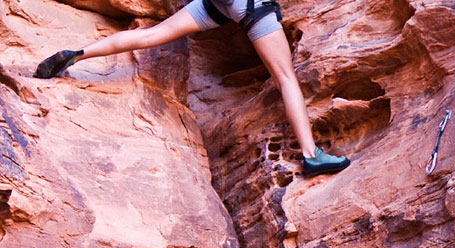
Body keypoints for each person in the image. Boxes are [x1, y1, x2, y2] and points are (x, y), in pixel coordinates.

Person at [35, 0, 350, 177]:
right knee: (285, 77)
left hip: (213, 4)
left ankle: (78, 54)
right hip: (247, 5)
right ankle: (311, 155)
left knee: (152, 35)